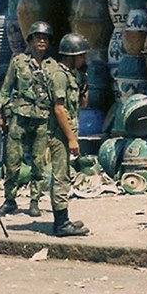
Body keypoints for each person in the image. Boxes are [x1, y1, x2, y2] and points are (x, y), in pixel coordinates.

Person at [0, 21, 54, 217]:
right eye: (37, 37)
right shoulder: (18, 61)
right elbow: (5, 89)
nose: (41, 41)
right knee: (12, 161)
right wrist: (1, 114)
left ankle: (35, 201)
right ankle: (10, 199)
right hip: (19, 117)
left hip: (42, 118)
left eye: (45, 38)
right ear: (30, 40)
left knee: (39, 162)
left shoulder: (52, 66)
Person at [45, 33, 90, 237]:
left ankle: (64, 219)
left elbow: (82, 104)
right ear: (71, 56)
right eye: (81, 56)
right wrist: (71, 138)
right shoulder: (60, 76)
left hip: (66, 130)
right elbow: (59, 109)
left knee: (65, 175)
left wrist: (84, 83)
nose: (84, 59)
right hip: (58, 133)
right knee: (60, 176)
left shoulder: (71, 74)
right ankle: (61, 224)